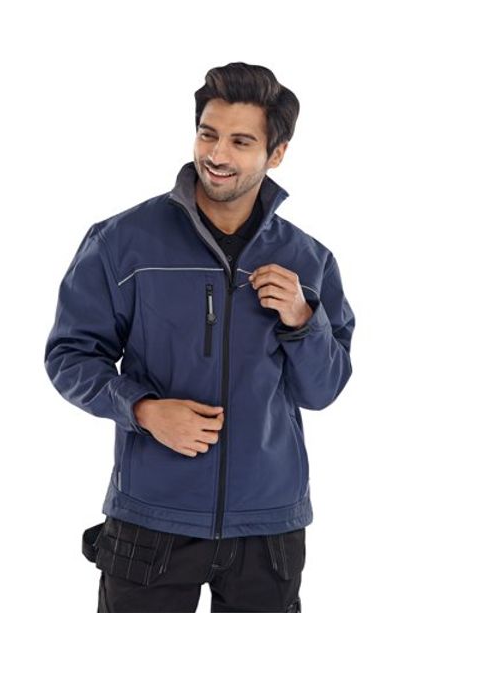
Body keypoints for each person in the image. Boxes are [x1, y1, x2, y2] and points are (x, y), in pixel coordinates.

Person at [44, 62, 356, 612]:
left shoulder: (309, 260)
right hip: (151, 517)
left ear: (276, 153)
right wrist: (143, 410)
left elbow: (323, 390)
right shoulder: (121, 242)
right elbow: (70, 355)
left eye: (241, 141)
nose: (217, 154)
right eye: (208, 134)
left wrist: (303, 320)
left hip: (268, 526)